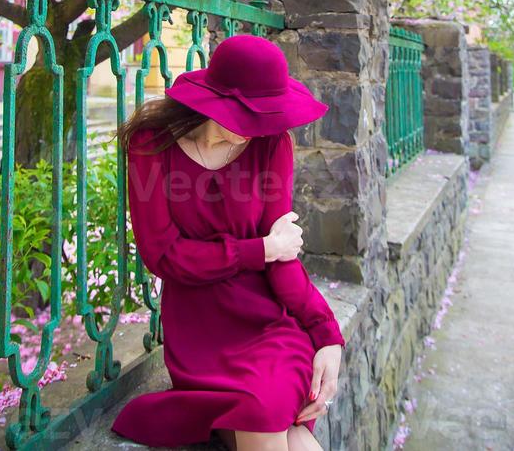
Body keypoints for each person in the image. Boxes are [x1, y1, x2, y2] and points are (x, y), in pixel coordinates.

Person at [111, 33, 346, 451]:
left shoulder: (272, 143)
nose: (257, 129)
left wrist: (327, 335)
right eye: (249, 116)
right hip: (200, 334)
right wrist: (260, 248)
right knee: (271, 421)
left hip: (268, 325)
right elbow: (163, 256)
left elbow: (283, 257)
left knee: (287, 431)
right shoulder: (151, 145)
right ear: (215, 102)